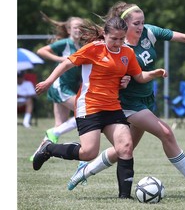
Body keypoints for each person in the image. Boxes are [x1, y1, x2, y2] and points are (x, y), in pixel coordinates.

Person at [67, 1, 185, 195]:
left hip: (146, 100)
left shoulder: (149, 32)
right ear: (124, 25)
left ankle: (84, 171)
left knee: (124, 149)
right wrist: (124, 80)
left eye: (142, 22)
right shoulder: (119, 45)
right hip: (128, 104)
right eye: (136, 23)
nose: (141, 27)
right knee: (166, 132)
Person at [32, 16, 167, 199]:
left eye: (121, 39)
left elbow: (139, 76)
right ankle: (48, 148)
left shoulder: (127, 53)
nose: (118, 43)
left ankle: (124, 197)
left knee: (125, 146)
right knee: (88, 153)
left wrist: (154, 73)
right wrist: (48, 82)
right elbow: (66, 63)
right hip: (90, 106)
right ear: (105, 34)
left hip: (112, 107)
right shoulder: (94, 48)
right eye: (114, 39)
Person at [29, 12, 83, 161]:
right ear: (69, 29)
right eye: (76, 27)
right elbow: (41, 51)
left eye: (81, 28)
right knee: (84, 110)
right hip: (60, 86)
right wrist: (61, 59)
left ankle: (37, 155)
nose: (78, 30)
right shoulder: (65, 43)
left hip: (69, 87)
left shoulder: (83, 45)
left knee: (59, 126)